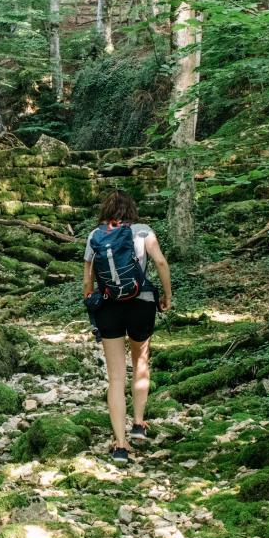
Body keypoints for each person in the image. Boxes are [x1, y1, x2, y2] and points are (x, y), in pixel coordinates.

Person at [80, 190, 171, 466]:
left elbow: (87, 279)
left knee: (116, 377)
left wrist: (91, 305)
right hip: (141, 303)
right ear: (132, 209)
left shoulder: (95, 235)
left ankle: (120, 445)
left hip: (108, 307)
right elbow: (161, 262)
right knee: (141, 362)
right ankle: (139, 424)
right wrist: (166, 295)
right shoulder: (143, 231)